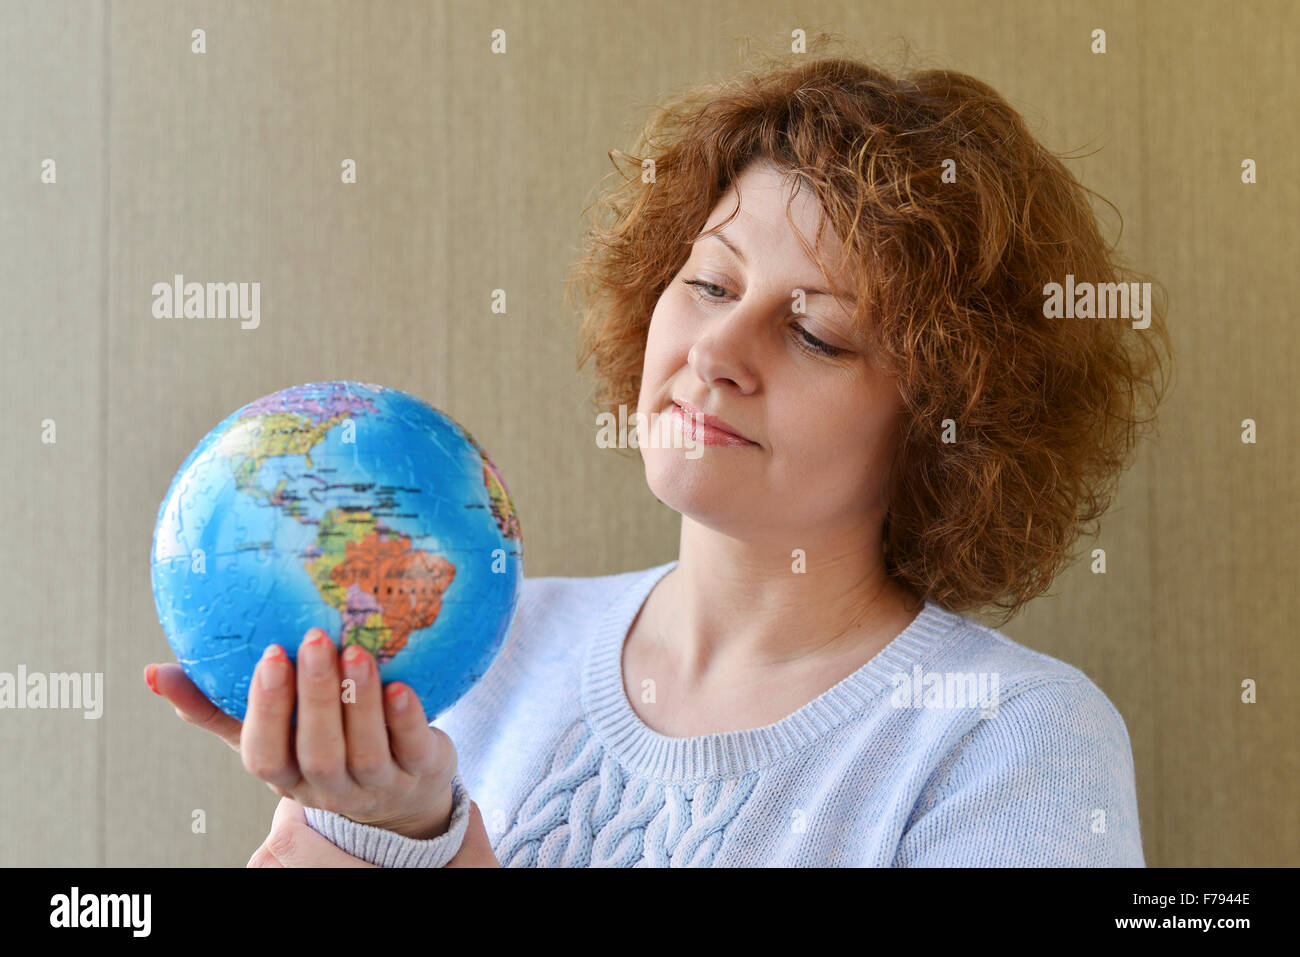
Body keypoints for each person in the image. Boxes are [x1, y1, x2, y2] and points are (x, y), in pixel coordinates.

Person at [145, 55, 1170, 867]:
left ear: (949, 420)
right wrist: (353, 827)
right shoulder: (470, 639)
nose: (716, 354)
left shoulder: (1012, 739)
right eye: (711, 286)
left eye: (812, 332)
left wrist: (433, 849)